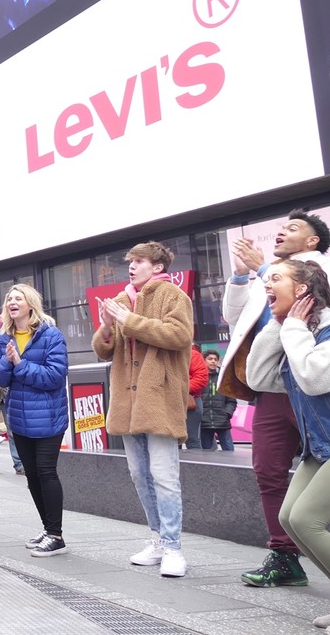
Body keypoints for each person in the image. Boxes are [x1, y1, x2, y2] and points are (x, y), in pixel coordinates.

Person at [218, 209, 330, 588]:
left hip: (323, 390)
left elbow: (327, 296)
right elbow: (235, 319)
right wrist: (241, 275)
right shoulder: (271, 284)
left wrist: (266, 272)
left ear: (312, 241)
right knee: (271, 476)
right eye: (280, 227)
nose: (281, 233)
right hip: (285, 383)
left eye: (292, 228)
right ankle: (284, 556)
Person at [247, 260, 330, 634]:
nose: (266, 284)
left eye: (276, 279)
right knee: (291, 519)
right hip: (323, 445)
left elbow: (313, 378)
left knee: (308, 518)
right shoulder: (298, 332)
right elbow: (258, 377)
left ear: (304, 290)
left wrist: (292, 326)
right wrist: (282, 324)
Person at [92, 241, 195, 578]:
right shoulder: (121, 301)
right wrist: (107, 327)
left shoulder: (173, 296)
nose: (132, 267)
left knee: (165, 476)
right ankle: (157, 540)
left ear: (157, 265)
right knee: (140, 475)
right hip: (128, 403)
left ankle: (174, 547)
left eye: (139, 261)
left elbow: (179, 335)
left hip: (160, 399)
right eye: (130, 262)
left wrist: (129, 320)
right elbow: (105, 351)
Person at [0, 284, 70, 558]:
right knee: (32, 476)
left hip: (48, 417)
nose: (12, 302)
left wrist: (20, 364)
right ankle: (48, 529)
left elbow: (54, 377)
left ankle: (57, 536)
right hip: (19, 419)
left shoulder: (51, 335)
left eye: (18, 298)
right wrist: (8, 363)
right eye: (9, 299)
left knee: (47, 472)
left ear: (30, 304)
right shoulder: (2, 338)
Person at [200, 351, 236, 451]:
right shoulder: (199, 378)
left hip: (223, 422)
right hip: (204, 422)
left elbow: (232, 400)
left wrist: (227, 414)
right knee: (207, 455)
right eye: (210, 359)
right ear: (204, 361)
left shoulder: (223, 378)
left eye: (215, 359)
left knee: (229, 451)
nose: (213, 362)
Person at [185, 345, 209, 449]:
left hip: (191, 402)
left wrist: (178, 390)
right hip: (170, 401)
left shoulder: (194, 355)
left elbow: (201, 379)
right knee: (171, 441)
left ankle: (195, 465)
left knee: (192, 439)